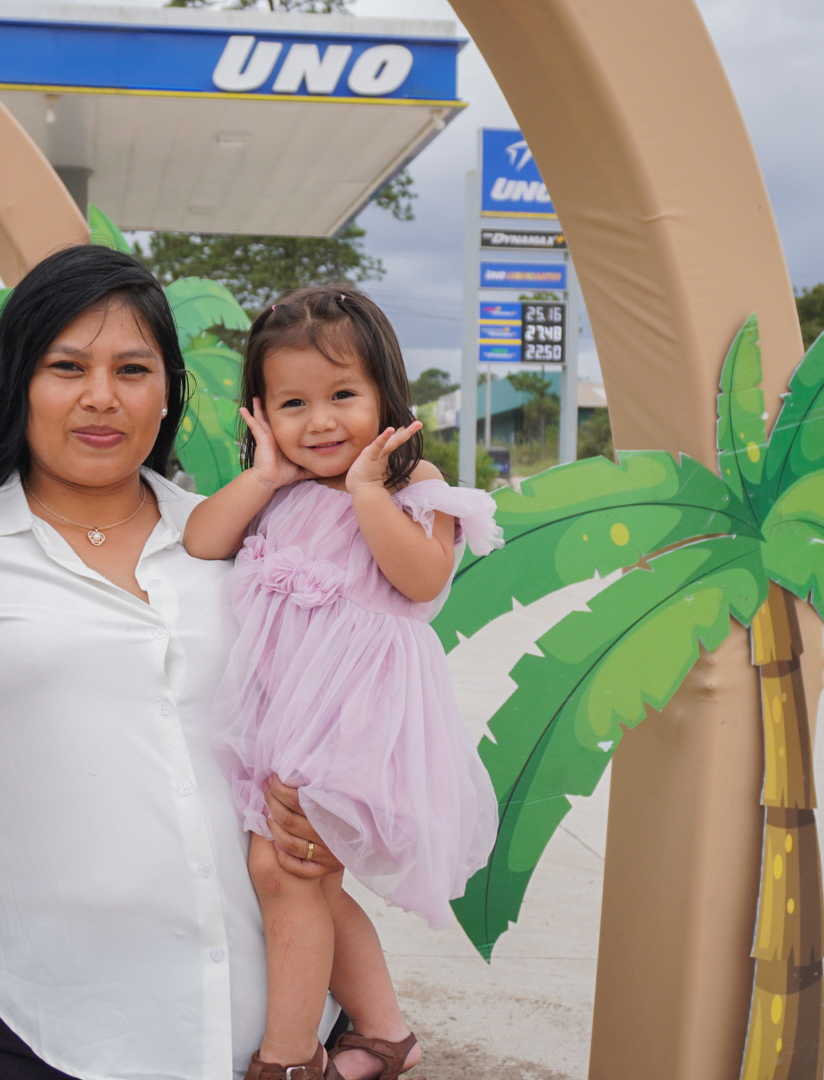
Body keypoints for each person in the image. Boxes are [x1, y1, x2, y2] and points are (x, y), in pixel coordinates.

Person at [0, 245, 340, 1080]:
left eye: (132, 369)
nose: (101, 397)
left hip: (277, 1031)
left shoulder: (246, 541)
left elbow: (337, 713)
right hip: (59, 1033)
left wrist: (331, 807)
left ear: (168, 392)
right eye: (67, 367)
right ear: (19, 383)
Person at [182, 286, 502, 1080]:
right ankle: (385, 1036)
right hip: (281, 720)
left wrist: (365, 492)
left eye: (343, 396)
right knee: (309, 882)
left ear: (386, 396)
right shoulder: (280, 490)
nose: (320, 422)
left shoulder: (413, 485)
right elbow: (201, 541)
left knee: (286, 871)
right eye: (293, 403)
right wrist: (262, 476)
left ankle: (290, 1057)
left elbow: (422, 579)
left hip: (357, 722)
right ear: (262, 413)